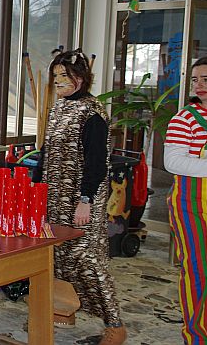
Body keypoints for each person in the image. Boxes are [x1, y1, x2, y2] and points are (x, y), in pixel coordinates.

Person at [33, 49, 127, 345]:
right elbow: (46, 153)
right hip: (55, 200)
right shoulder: (58, 108)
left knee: (88, 260)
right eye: (56, 76)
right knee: (59, 257)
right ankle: (64, 309)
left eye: (65, 75)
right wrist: (36, 189)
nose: (59, 81)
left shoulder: (92, 112)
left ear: (82, 78)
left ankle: (114, 325)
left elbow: (97, 162)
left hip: (81, 201)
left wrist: (85, 200)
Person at [164, 54, 207, 344]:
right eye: (195, 80)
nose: (200, 85)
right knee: (199, 271)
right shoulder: (184, 119)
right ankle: (197, 337)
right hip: (192, 204)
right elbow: (173, 162)